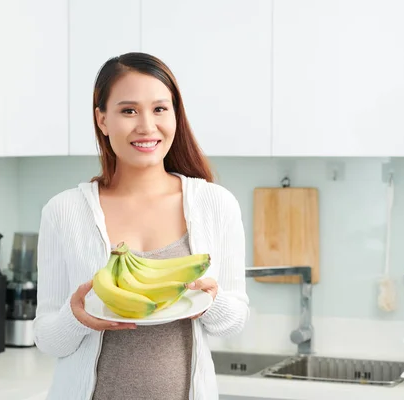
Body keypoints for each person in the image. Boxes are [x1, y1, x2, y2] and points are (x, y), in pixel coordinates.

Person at [33, 52, 250, 400]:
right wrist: (75, 317)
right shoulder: (64, 211)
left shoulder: (216, 204)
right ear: (102, 120)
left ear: (175, 115)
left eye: (160, 109)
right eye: (128, 110)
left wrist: (213, 300)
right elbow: (46, 338)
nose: (147, 126)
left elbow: (234, 323)